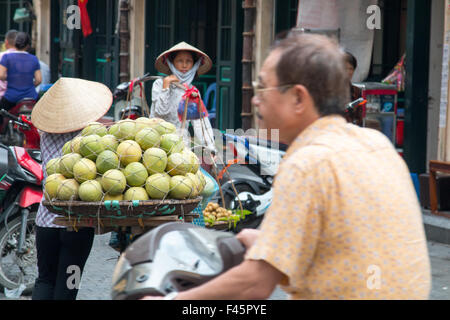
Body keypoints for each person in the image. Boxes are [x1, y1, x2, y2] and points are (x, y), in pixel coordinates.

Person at [143, 33, 431, 300]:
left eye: (263, 88)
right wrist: (267, 240)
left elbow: (256, 282)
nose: (255, 99)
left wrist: (175, 300)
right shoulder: (378, 145)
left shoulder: (307, 164)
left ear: (298, 98)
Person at [30, 77, 113, 300]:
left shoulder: (45, 135)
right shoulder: (89, 138)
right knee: (69, 284)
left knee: (44, 279)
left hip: (46, 221)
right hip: (77, 226)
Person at [151, 42, 216, 154]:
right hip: (157, 141)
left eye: (189, 61)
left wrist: (210, 147)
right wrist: (166, 86)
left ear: (194, 64)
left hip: (180, 144)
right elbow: (160, 112)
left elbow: (200, 123)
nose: (184, 65)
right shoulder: (159, 84)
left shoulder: (192, 91)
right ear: (171, 63)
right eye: (180, 61)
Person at [0, 32, 42, 111]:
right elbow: (39, 80)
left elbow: (1, 75)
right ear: (28, 45)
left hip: (11, 98)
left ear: (15, 43)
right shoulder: (34, 59)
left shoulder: (6, 57)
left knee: (2, 116)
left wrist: (12, 78)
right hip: (31, 97)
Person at [0, 29, 18, 99]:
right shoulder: (27, 57)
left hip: (3, 96)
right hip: (24, 95)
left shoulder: (1, 56)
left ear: (6, 42)